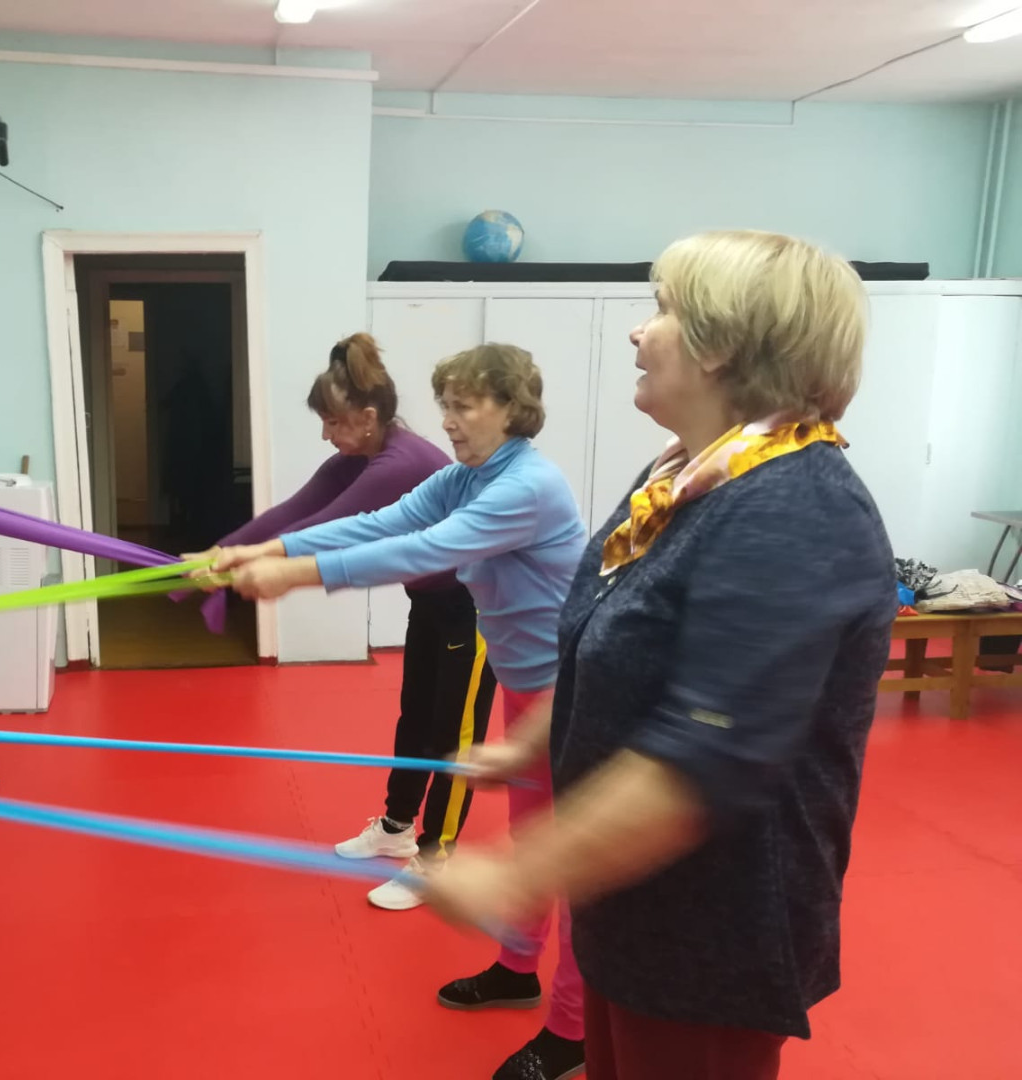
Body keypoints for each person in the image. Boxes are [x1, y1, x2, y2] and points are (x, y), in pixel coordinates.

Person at [425, 230, 896, 1080]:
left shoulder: (794, 507)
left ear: (726, 346)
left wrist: (516, 877)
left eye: (665, 310)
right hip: (629, 904)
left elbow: (702, 754)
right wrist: (527, 745)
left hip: (713, 932)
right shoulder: (681, 477)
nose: (639, 332)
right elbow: (611, 638)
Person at [215, 343, 590, 1080]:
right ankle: (518, 968)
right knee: (530, 835)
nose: (447, 420)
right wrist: (259, 546)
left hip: (571, 692)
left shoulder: (527, 487)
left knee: (570, 854)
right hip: (526, 684)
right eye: (445, 404)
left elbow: (425, 549)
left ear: (511, 410)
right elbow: (377, 524)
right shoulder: (466, 477)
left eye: (465, 406)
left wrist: (291, 574)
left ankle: (573, 1030)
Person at [192, 332, 501, 911]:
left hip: (476, 607)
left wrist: (247, 563)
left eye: (332, 422)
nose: (326, 435)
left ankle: (435, 860)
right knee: (416, 715)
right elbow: (294, 512)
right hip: (432, 600)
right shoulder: (358, 458)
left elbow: (327, 528)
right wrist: (224, 549)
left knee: (454, 737)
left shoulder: (399, 463)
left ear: (367, 418)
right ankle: (397, 827)